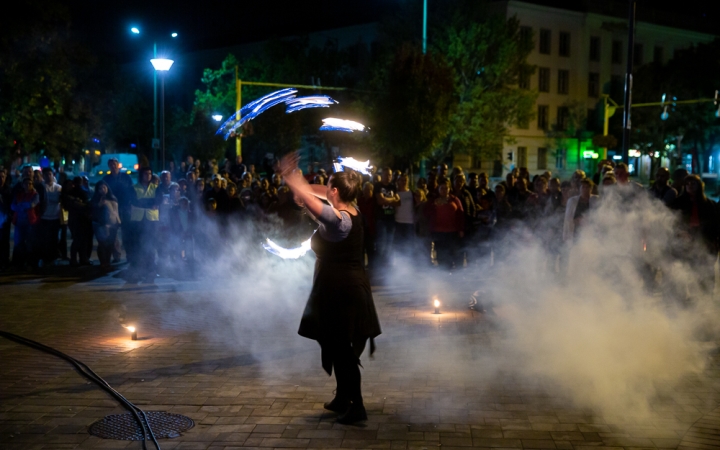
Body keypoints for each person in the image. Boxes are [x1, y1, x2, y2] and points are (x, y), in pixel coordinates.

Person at [276, 153, 381, 424]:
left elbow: (314, 202)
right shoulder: (350, 206)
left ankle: (356, 407)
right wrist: (299, 185)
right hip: (339, 290)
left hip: (343, 294)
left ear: (336, 192)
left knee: (343, 351)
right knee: (336, 347)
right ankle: (342, 397)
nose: (325, 187)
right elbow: (316, 194)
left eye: (329, 185)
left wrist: (291, 177)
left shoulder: (341, 221)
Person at [128, 167, 160, 282]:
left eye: (150, 173)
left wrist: (144, 203)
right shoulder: (134, 188)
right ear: (141, 175)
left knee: (151, 245)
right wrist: (149, 203)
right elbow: (134, 201)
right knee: (138, 245)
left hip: (152, 220)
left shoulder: (156, 188)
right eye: (146, 174)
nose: (148, 176)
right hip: (138, 220)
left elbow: (158, 201)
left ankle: (151, 270)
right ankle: (137, 270)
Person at [425, 179, 464, 270]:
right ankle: (443, 272)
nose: (444, 190)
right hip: (438, 232)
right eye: (442, 188)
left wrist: (461, 229)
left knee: (453, 253)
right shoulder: (433, 200)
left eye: (446, 188)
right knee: (441, 254)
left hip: (452, 232)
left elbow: (461, 214)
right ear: (438, 189)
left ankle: (454, 271)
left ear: (449, 189)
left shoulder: (455, 200)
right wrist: (434, 205)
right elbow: (426, 213)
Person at [103, 158, 134, 263]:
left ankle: (129, 255)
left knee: (127, 233)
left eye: (114, 164)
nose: (113, 166)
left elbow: (131, 190)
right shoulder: (106, 179)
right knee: (113, 233)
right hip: (112, 209)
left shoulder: (126, 177)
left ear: (118, 165)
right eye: (111, 164)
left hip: (125, 208)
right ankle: (116, 256)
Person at [90, 181, 121, 271]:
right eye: (100, 188)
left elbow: (116, 211)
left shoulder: (113, 198)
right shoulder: (97, 199)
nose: (103, 190)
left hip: (113, 225)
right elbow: (94, 210)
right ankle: (103, 263)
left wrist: (118, 222)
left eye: (104, 187)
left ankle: (107, 262)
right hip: (101, 225)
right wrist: (98, 205)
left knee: (110, 245)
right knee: (103, 244)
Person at [373, 167, 400, 267]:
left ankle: (387, 266)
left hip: (391, 219)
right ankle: (379, 266)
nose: (388, 177)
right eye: (386, 174)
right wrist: (393, 199)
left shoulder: (393, 186)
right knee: (381, 244)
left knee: (389, 244)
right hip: (381, 219)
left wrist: (386, 199)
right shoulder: (378, 186)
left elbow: (398, 202)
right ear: (382, 175)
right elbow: (380, 201)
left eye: (389, 175)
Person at [11, 177, 40, 269]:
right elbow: (12, 206)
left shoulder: (35, 194)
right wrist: (23, 206)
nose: (27, 185)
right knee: (19, 243)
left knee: (29, 243)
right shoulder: (19, 195)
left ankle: (30, 263)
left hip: (30, 221)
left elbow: (32, 205)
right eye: (26, 184)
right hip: (19, 222)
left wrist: (20, 206)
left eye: (30, 184)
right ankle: (20, 263)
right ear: (23, 185)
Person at [563, 179, 599, 243]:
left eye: (587, 187)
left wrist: (587, 220)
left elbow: (599, 216)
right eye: (583, 187)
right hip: (575, 232)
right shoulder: (572, 201)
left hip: (590, 232)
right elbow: (567, 218)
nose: (585, 189)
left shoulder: (595, 200)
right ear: (580, 188)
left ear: (591, 189)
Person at [39, 168, 62, 266]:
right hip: (44, 217)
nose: (48, 176)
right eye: (46, 174)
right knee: (44, 239)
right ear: (43, 176)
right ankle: (44, 258)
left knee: (54, 239)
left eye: (50, 174)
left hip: (55, 217)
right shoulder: (41, 187)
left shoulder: (58, 187)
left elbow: (58, 199)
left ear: (53, 175)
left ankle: (53, 258)